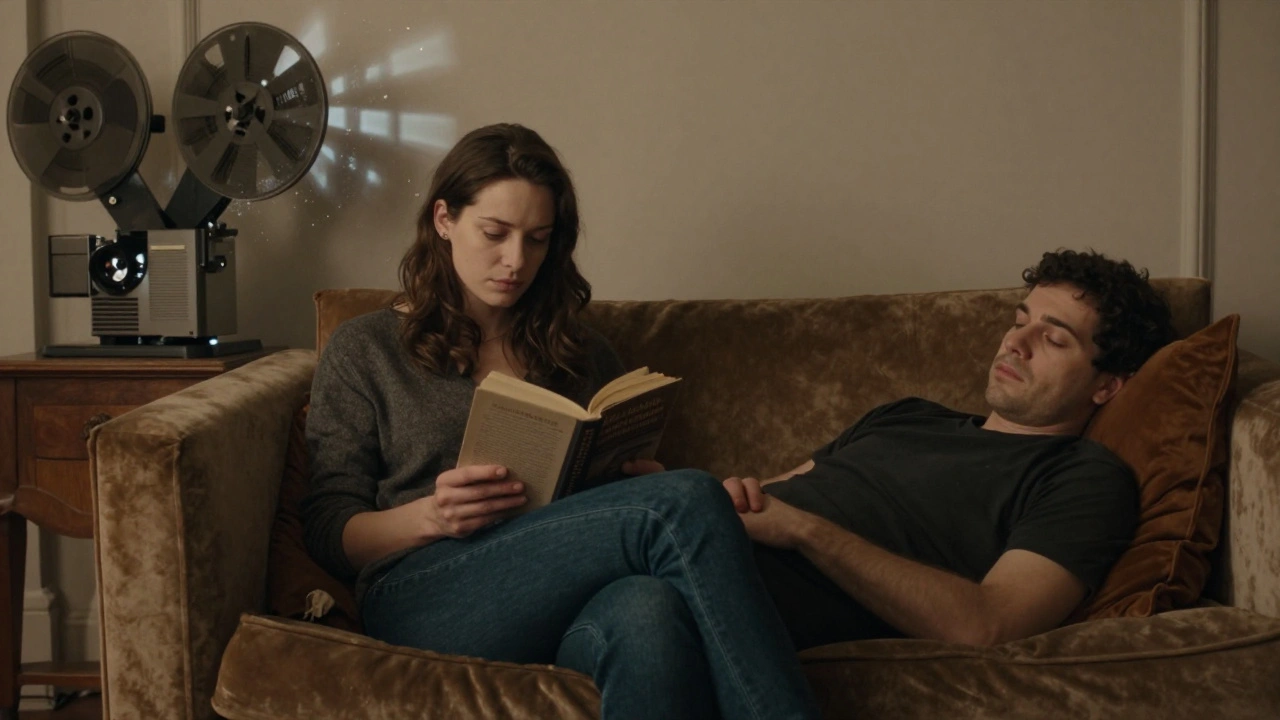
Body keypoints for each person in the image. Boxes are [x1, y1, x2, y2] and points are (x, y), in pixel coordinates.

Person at [301, 123, 818, 720]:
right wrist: (432, 516)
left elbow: (608, 509)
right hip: (425, 592)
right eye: (494, 233)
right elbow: (327, 530)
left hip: (565, 595)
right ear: (444, 219)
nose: (516, 261)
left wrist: (634, 480)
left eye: (538, 239)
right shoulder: (366, 348)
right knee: (685, 501)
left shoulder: (580, 353)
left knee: (648, 610)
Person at [722, 249, 1176, 650]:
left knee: (652, 602)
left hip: (746, 593)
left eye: (1053, 339)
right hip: (702, 544)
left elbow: (990, 624)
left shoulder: (1081, 477)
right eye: (1019, 322)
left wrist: (807, 531)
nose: (1014, 344)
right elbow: (763, 496)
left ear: (1107, 385)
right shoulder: (905, 415)